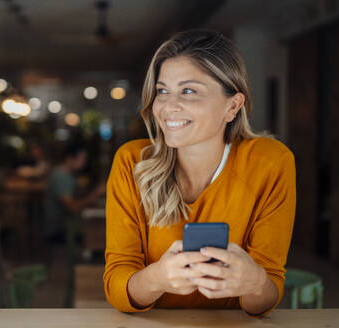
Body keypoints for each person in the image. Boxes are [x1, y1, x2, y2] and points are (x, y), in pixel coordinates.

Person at [104, 29, 296, 317]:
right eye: (162, 91)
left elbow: (266, 296)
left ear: (232, 106)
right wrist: (156, 278)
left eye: (189, 91)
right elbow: (117, 286)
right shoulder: (132, 162)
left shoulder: (270, 162)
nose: (168, 107)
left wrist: (255, 282)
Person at [43, 143, 105, 243]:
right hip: (59, 228)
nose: (84, 162)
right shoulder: (61, 176)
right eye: (82, 158)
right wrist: (96, 193)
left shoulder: (68, 175)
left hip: (66, 223)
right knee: (100, 231)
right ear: (70, 159)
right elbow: (73, 208)